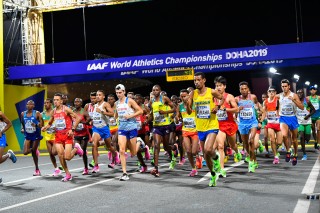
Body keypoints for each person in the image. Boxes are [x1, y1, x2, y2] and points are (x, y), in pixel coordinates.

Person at [187, 72, 223, 187]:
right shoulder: (193, 93)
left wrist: (217, 106)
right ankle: (212, 174)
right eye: (195, 80)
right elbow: (188, 112)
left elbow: (222, 98)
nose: (196, 82)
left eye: (198, 80)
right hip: (200, 127)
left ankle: (216, 158)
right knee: (205, 154)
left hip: (212, 125)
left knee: (208, 149)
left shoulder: (211, 91)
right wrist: (188, 104)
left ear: (204, 80)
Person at [42, 93, 84, 181]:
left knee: (67, 157)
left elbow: (78, 118)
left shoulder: (66, 109)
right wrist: (45, 127)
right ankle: (68, 174)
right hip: (58, 136)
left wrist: (72, 129)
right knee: (60, 155)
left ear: (61, 101)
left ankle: (76, 148)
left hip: (67, 135)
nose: (55, 102)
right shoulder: (53, 111)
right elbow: (50, 122)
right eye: (54, 100)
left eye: (57, 100)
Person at [115, 84, 146, 181]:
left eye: (120, 93)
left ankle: (139, 142)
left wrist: (130, 116)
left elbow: (140, 111)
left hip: (132, 127)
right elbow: (116, 114)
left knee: (133, 153)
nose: (118, 95)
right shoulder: (117, 103)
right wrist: (114, 118)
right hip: (122, 128)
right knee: (121, 150)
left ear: (124, 92)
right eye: (117, 93)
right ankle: (124, 173)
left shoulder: (130, 101)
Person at [213, 76, 242, 177]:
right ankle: (222, 169)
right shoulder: (213, 98)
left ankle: (237, 151)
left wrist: (225, 110)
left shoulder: (229, 96)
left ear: (224, 86)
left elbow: (237, 109)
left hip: (230, 124)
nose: (218, 88)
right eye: (216, 86)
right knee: (220, 146)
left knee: (232, 145)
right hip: (219, 125)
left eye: (220, 86)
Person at [235, 82, 264, 173]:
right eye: (242, 89)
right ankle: (254, 159)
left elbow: (258, 107)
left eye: (245, 89)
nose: (244, 90)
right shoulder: (237, 99)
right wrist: (236, 114)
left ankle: (251, 163)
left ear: (248, 89)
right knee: (246, 144)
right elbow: (234, 111)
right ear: (239, 90)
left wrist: (260, 119)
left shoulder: (253, 97)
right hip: (242, 124)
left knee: (251, 141)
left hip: (253, 123)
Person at [149, 85, 176, 177]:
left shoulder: (164, 98)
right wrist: (148, 118)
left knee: (166, 146)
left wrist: (165, 112)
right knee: (156, 146)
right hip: (156, 126)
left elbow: (174, 108)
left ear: (160, 91)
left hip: (166, 126)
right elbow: (152, 113)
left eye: (157, 90)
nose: (155, 91)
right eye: (153, 90)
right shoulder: (151, 101)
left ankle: (173, 156)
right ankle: (156, 169)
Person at [89, 90, 119, 173]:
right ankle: (96, 165)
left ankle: (115, 153)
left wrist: (102, 111)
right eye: (97, 95)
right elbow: (95, 116)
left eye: (99, 95)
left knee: (109, 147)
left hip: (104, 128)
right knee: (94, 144)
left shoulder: (105, 104)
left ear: (103, 96)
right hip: (96, 128)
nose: (98, 96)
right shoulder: (94, 106)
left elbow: (112, 113)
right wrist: (92, 121)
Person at [277, 79, 304, 166]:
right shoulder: (279, 96)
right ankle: (288, 151)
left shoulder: (294, 95)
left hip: (293, 118)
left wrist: (294, 100)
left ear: (289, 87)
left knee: (294, 139)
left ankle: (295, 154)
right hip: (283, 118)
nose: (284, 88)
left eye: (285, 86)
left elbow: (302, 107)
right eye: (282, 86)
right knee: (284, 135)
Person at [176, 89, 199, 176]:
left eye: (185, 96)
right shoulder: (180, 106)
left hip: (195, 130)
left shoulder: (194, 104)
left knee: (193, 151)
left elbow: (195, 114)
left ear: (188, 96)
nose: (183, 98)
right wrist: (176, 118)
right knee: (188, 151)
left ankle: (198, 156)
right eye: (181, 96)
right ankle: (193, 168)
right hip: (185, 130)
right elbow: (177, 116)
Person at [20, 100, 43, 176]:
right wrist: (22, 128)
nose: (28, 105)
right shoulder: (23, 114)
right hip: (28, 135)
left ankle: (37, 169)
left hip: (36, 135)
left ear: (33, 106)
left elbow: (41, 125)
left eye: (30, 104)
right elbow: (22, 123)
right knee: (25, 152)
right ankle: (35, 150)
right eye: (27, 104)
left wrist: (36, 125)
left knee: (33, 151)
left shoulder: (37, 113)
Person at [41, 98, 61, 176]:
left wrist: (56, 127)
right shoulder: (42, 114)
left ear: (51, 104)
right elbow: (42, 125)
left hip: (56, 136)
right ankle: (56, 169)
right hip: (47, 137)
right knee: (51, 154)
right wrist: (42, 127)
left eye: (47, 103)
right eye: (45, 103)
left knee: (54, 152)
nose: (46, 104)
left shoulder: (55, 112)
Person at [263, 86, 282, 164]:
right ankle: (275, 156)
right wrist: (261, 120)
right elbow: (264, 112)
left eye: (273, 91)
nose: (271, 93)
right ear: (268, 93)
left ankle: (275, 149)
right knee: (272, 139)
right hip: (270, 123)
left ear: (275, 93)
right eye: (270, 91)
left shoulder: (278, 100)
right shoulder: (265, 102)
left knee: (279, 142)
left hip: (278, 123)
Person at [73, 98, 91, 175]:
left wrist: (83, 122)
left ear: (81, 103)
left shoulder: (84, 111)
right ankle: (80, 150)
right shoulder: (73, 111)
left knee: (83, 152)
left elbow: (89, 119)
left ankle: (86, 168)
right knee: (76, 149)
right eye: (75, 102)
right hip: (76, 134)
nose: (76, 103)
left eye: (78, 102)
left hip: (84, 134)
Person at [297, 89, 315, 160]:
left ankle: (306, 141)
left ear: (303, 93)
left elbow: (314, 110)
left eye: (301, 93)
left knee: (307, 137)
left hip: (307, 122)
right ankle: (304, 154)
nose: (299, 94)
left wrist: (308, 115)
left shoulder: (307, 101)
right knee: (301, 137)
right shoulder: (295, 102)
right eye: (298, 93)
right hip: (300, 122)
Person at [0, 111, 17, 183]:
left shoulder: (0, 114)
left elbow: (10, 124)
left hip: (1, 137)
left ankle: (9, 154)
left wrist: (1, 131)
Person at [308, 86, 320, 150]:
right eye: (311, 90)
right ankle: (315, 141)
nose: (312, 91)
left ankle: (318, 143)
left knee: (318, 129)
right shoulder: (308, 98)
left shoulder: (319, 98)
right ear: (310, 91)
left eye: (314, 90)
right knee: (313, 130)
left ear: (316, 91)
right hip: (311, 116)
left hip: (318, 116)